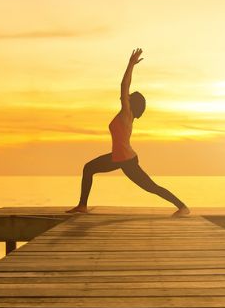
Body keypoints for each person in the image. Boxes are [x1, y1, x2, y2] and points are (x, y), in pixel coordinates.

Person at [67, 48, 190, 217]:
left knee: (150, 187)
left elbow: (124, 85)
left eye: (129, 97)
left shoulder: (126, 113)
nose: (126, 96)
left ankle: (182, 206)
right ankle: (82, 205)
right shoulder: (126, 114)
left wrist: (131, 64)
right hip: (118, 158)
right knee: (89, 168)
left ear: (130, 102)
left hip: (126, 160)